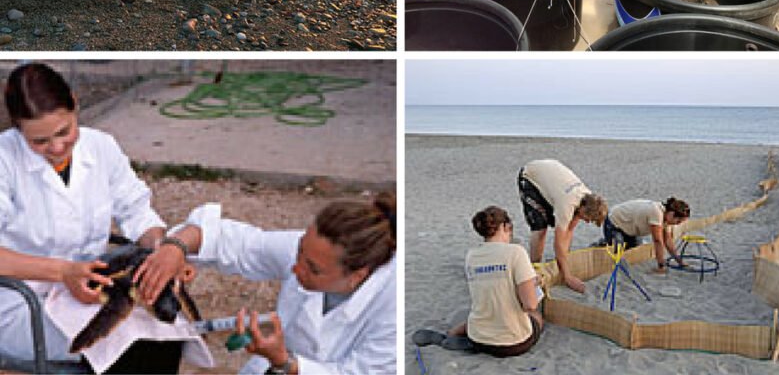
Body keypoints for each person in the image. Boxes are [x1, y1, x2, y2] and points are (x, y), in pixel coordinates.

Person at [0, 62, 185, 373]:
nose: (57, 147)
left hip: (91, 291)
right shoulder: (4, 162)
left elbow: (137, 210)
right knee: (127, 345)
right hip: (21, 302)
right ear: (18, 128)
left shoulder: (101, 147)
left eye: (64, 132)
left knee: (169, 330)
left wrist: (161, 251)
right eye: (40, 142)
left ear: (74, 102)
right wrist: (63, 272)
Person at [134, 192, 397, 375]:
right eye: (299, 252)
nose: (296, 268)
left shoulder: (393, 307)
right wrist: (175, 248)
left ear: (358, 276)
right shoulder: (316, 251)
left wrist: (283, 361)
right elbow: (236, 243)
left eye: (313, 269)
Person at [421, 206, 544, 358]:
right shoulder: (516, 252)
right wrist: (532, 284)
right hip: (512, 343)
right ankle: (464, 334)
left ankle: (452, 334)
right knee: (536, 317)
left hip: (478, 338)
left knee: (487, 310)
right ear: (505, 227)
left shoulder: (471, 256)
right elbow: (530, 304)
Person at [517, 159, 607, 293]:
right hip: (530, 176)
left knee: (562, 226)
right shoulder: (567, 205)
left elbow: (569, 230)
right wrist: (567, 277)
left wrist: (564, 260)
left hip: (552, 176)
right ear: (582, 208)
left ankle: (557, 265)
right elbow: (558, 242)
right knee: (540, 228)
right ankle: (535, 267)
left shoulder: (587, 197)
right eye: (587, 219)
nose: (587, 222)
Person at [602, 197, 691, 272]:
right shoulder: (656, 212)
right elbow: (658, 241)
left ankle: (610, 240)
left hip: (629, 228)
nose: (677, 224)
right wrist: (661, 266)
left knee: (635, 247)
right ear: (672, 214)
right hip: (614, 223)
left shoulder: (666, 219)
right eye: (678, 221)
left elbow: (667, 241)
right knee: (618, 252)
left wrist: (679, 261)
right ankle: (603, 242)